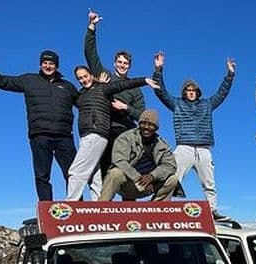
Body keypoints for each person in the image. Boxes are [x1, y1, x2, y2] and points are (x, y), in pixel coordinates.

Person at [0, 43, 78, 200]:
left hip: (64, 136)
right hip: (40, 135)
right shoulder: (29, 80)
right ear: (40, 64)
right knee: (42, 175)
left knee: (73, 175)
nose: (48, 66)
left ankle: (78, 211)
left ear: (56, 66)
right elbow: (1, 81)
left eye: (51, 63)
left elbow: (85, 104)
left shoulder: (68, 86)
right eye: (45, 62)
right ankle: (47, 212)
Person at [152, 51, 235, 221]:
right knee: (172, 177)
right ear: (184, 92)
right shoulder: (177, 104)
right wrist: (158, 70)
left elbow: (222, 93)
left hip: (204, 149)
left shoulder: (207, 104)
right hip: (184, 148)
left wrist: (230, 75)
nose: (190, 92)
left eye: (193, 90)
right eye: (188, 90)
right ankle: (161, 209)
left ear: (198, 92)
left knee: (209, 183)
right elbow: (160, 92)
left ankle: (212, 211)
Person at [67, 67, 158, 201]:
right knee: (94, 175)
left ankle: (70, 204)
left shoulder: (103, 89)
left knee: (76, 171)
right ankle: (100, 207)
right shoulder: (82, 95)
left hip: (96, 133)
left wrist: (144, 80)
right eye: (80, 78)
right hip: (86, 135)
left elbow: (124, 84)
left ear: (92, 75)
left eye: (85, 76)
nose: (83, 80)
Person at [84, 10, 146, 177]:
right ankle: (105, 203)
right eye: (119, 62)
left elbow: (142, 115)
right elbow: (91, 55)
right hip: (105, 129)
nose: (122, 65)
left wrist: (125, 107)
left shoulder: (136, 89)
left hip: (125, 132)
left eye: (125, 63)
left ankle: (129, 203)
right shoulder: (105, 76)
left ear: (129, 66)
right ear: (114, 63)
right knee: (104, 172)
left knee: (127, 173)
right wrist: (91, 27)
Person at [99, 109, 179, 201]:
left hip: (150, 186)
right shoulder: (126, 137)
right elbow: (119, 160)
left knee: (173, 179)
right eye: (143, 123)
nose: (146, 127)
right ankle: (101, 207)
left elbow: (170, 165)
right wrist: (139, 179)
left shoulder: (162, 145)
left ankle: (157, 210)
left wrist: (152, 176)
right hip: (128, 183)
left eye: (151, 125)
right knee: (115, 173)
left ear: (156, 128)